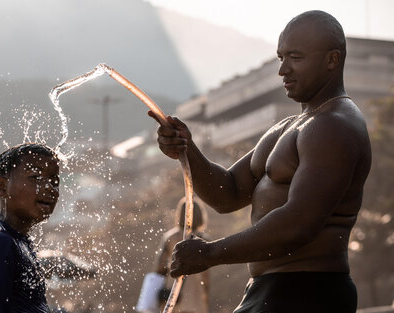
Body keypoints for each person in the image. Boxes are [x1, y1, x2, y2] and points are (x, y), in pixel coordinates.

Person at [148, 10, 372, 313]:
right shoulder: (290, 127)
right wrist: (187, 150)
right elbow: (226, 193)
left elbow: (299, 224)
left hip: (309, 292)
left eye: (295, 57)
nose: (283, 70)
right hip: (268, 291)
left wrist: (210, 253)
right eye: (281, 57)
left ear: (332, 60)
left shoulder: (334, 126)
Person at [0, 143, 60, 313]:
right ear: (2, 187)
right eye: (35, 178)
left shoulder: (19, 242)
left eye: (55, 181)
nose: (50, 188)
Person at [154, 197, 210, 313]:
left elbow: (160, 267)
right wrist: (205, 297)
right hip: (195, 297)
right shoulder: (203, 240)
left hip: (173, 293)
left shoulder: (170, 237)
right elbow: (205, 276)